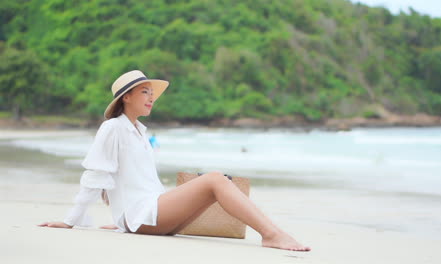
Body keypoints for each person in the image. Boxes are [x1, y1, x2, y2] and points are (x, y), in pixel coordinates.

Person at [38, 70, 310, 252]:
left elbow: (139, 183)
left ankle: (272, 233)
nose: (151, 98)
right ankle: (272, 234)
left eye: (151, 93)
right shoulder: (113, 128)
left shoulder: (140, 133)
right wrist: (71, 220)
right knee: (214, 178)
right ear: (127, 97)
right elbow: (96, 176)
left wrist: (121, 221)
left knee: (216, 183)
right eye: (144, 92)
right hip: (142, 215)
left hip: (144, 214)